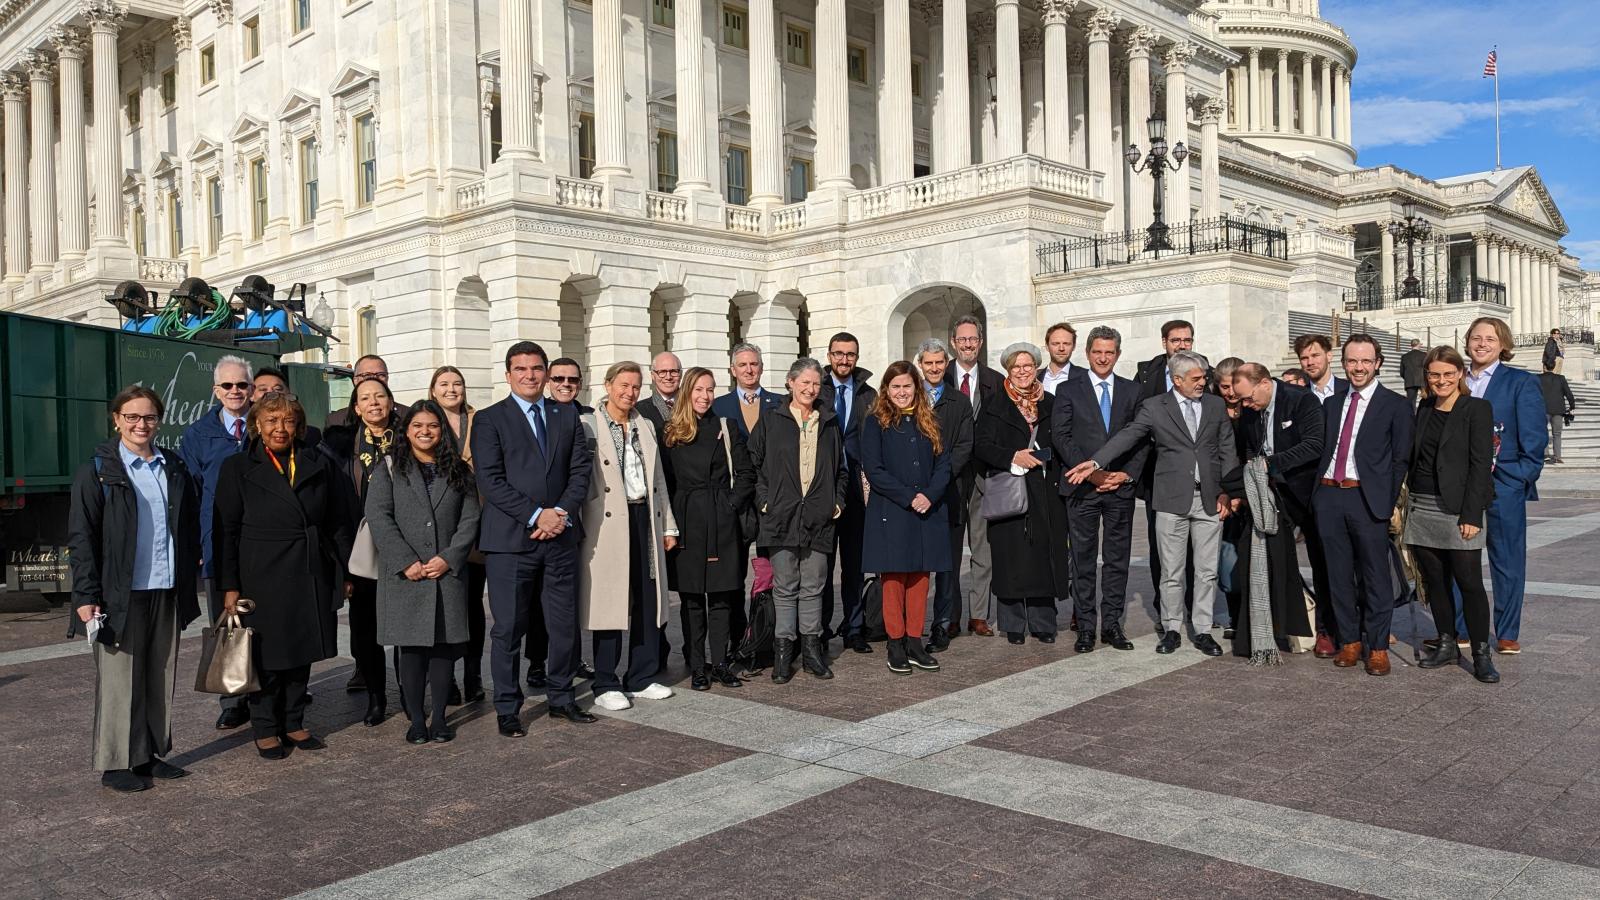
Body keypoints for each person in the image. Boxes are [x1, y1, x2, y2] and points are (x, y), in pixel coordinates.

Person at [69, 386, 202, 792]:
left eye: (148, 417)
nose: (140, 425)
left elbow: (187, 524)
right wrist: (86, 595)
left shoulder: (172, 466)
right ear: (116, 420)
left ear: (158, 421)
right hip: (118, 592)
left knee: (159, 672)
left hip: (164, 585)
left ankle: (147, 754)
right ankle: (115, 762)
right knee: (119, 678)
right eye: (131, 417)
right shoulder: (98, 470)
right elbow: (82, 536)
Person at [1069, 350, 1236, 657]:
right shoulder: (1155, 407)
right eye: (1197, 379)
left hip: (1210, 499)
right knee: (1171, 571)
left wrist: (1229, 490)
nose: (1203, 383)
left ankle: (1201, 629)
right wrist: (1095, 462)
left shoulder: (1215, 405)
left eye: (1204, 377)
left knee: (1206, 570)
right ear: (1177, 380)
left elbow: (1227, 449)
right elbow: (1128, 436)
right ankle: (1172, 629)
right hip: (1171, 499)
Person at [213, 393, 352, 758]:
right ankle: (265, 726)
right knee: (265, 655)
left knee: (301, 650)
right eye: (272, 421)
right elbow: (225, 531)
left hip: (308, 569)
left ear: (298, 426)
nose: (280, 428)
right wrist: (229, 585)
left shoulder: (317, 464)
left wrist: (343, 571)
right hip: (259, 571)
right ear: (257, 425)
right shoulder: (236, 467)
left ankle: (294, 721)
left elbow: (338, 522)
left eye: (288, 421)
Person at [472, 341, 596, 733]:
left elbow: (580, 471)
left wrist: (558, 513)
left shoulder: (565, 416)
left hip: (560, 538)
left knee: (563, 625)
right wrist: (534, 514)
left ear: (545, 372)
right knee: (508, 628)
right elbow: (489, 480)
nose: (529, 375)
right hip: (510, 542)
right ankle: (508, 707)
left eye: (536, 368)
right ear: (508, 374)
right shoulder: (490, 419)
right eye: (521, 369)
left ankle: (562, 697)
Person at [365, 400, 483, 742]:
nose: (425, 431)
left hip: (445, 574)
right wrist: (405, 560)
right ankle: (417, 718)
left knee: (444, 650)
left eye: (432, 425)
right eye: (417, 425)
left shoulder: (460, 471)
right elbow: (379, 517)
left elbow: (470, 519)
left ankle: (441, 718)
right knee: (413, 652)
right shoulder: (390, 468)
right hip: (407, 575)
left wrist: (450, 557)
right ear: (407, 430)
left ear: (441, 430)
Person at [579, 362, 680, 711]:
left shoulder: (645, 423)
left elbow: (659, 479)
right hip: (607, 524)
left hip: (644, 516)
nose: (630, 392)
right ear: (608, 386)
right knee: (610, 601)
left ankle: (641, 676)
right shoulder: (589, 424)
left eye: (635, 386)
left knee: (648, 598)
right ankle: (605, 681)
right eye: (623, 385)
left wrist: (668, 524)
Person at [1310, 334, 1412, 676]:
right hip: (1329, 495)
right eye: (1352, 361)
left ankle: (1378, 646)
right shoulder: (1332, 403)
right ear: (1344, 363)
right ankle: (1350, 640)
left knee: (1375, 576)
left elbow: (1400, 459)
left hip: (1366, 499)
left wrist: (1383, 499)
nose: (1359, 367)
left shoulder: (1395, 405)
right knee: (1337, 575)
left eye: (1366, 361)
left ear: (1378, 363)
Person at [747, 358, 848, 683]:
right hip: (780, 517)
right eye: (804, 382)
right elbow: (754, 465)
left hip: (819, 518)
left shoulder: (829, 421)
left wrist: (837, 503)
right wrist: (765, 501)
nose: (810, 389)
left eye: (816, 384)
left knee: (814, 586)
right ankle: (782, 655)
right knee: (786, 587)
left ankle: (812, 653)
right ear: (790, 383)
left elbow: (841, 471)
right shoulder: (772, 420)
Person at [1052, 326, 1146, 654]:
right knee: (1083, 559)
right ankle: (1086, 627)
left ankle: (1111, 625)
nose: (1103, 358)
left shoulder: (1133, 391)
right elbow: (1061, 436)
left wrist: (1124, 474)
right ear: (1088, 353)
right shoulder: (1068, 389)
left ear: (1117, 355)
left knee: (1118, 560)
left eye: (1109, 352)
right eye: (1097, 352)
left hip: (1119, 488)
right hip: (1082, 488)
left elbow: (1142, 438)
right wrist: (1090, 472)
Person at [1407, 347, 1499, 684]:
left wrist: (1471, 513)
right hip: (1423, 504)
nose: (1441, 380)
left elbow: (1480, 465)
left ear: (1460, 373)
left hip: (1459, 509)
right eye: (1434, 375)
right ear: (1427, 377)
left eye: (1448, 373)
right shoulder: (1425, 407)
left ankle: (1480, 654)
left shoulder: (1476, 408)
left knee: (1470, 582)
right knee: (1435, 580)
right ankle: (1446, 643)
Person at [661, 367, 756, 689]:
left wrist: (729, 505)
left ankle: (720, 663)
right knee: (691, 600)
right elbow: (665, 481)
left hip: (721, 519)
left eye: (710, 390)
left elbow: (746, 474)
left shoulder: (726, 426)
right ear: (687, 392)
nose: (705, 396)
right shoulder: (672, 431)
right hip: (686, 519)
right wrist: (669, 524)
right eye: (699, 390)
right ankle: (697, 665)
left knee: (721, 597)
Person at [974, 343, 1072, 645]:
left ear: (1036, 368)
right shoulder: (992, 404)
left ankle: (1044, 622)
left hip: (1046, 490)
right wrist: (1012, 457)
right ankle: (1013, 623)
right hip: (1011, 490)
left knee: (1045, 555)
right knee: (1010, 557)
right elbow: (981, 445)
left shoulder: (1052, 402)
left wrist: (1046, 456)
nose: (1022, 372)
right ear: (1007, 369)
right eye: (1016, 366)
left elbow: (1065, 440)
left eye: (1028, 365)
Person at [319, 378, 402, 726]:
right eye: (365, 398)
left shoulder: (408, 438)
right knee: (365, 627)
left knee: (404, 626)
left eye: (380, 396)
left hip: (403, 544)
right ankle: (376, 697)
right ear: (356, 408)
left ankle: (410, 693)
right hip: (359, 547)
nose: (374, 403)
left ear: (391, 403)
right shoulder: (340, 447)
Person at [860, 361, 952, 673]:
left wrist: (930, 494)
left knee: (920, 579)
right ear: (886, 389)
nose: (902, 392)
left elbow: (944, 464)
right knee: (894, 579)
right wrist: (909, 496)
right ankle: (895, 643)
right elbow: (874, 469)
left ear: (917, 387)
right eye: (896, 386)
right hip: (893, 510)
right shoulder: (876, 422)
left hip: (927, 509)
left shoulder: (930, 420)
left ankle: (915, 641)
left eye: (907, 386)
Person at [1462, 317, 1547, 654]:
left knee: (1507, 560)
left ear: (1503, 345)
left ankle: (1507, 630)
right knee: (1460, 559)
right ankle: (1461, 628)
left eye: (1490, 339)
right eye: (1476, 337)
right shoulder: (1456, 379)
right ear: (1467, 341)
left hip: (1503, 484)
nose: (1482, 344)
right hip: (1461, 486)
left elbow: (1534, 436)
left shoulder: (1520, 382)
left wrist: (1519, 476)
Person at [179, 354, 255, 731]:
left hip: (261, 542)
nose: (235, 391)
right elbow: (189, 493)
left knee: (264, 619)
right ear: (216, 391)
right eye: (227, 385)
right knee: (226, 622)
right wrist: (193, 545)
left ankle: (266, 692)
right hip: (217, 543)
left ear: (252, 388)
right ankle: (232, 698)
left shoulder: (265, 425)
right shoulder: (197, 434)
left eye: (241, 384)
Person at [1231, 364, 1325, 652]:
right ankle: (1276, 625)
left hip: (1305, 493)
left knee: (1321, 563)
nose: (1245, 405)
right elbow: (1249, 447)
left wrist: (1271, 465)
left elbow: (1314, 445)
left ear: (1264, 383)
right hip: (1268, 495)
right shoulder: (1250, 408)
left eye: (1248, 398)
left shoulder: (1301, 400)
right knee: (1268, 558)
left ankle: (1326, 627)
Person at [1135, 320, 1201, 631]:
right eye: (1176, 340)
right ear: (1164, 343)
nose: (1182, 345)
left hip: (1195, 480)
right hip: (1157, 478)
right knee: (1161, 547)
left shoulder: (1204, 373)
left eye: (1187, 339)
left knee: (1195, 548)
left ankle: (1192, 608)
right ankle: (1167, 611)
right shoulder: (1146, 374)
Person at [817, 332, 876, 654]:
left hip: (856, 490)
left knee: (855, 565)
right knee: (822, 566)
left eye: (850, 354)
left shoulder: (868, 394)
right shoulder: (817, 390)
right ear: (829, 355)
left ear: (856, 356)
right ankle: (822, 629)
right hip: (823, 490)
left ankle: (854, 628)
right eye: (838, 354)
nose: (844, 360)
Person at [430, 365, 487, 704]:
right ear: (433, 389)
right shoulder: (425, 419)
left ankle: (474, 673)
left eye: (457, 384)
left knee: (473, 604)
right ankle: (446, 675)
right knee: (447, 605)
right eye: (444, 384)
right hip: (439, 523)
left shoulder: (480, 419)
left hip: (475, 519)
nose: (452, 389)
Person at [946, 314, 1004, 637]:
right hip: (952, 478)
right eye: (962, 339)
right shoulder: (942, 379)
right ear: (954, 343)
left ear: (980, 343)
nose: (968, 345)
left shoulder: (995, 380)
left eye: (973, 339)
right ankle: (952, 615)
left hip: (984, 474)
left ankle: (978, 614)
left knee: (983, 549)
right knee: (952, 550)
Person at [915, 339, 973, 652]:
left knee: (947, 565)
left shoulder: (958, 401)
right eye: (929, 363)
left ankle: (941, 625)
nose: (935, 368)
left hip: (949, 494)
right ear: (920, 365)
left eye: (940, 363)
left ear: (946, 364)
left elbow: (964, 447)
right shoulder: (908, 396)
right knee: (915, 563)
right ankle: (912, 627)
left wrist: (937, 481)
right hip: (915, 497)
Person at [712, 342, 785, 439]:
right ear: (733, 370)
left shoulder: (781, 403)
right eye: (742, 365)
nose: (749, 370)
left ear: (762, 368)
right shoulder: (718, 406)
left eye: (753, 364)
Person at [326, 354, 389, 428]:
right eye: (367, 375)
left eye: (380, 375)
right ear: (355, 380)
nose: (374, 379)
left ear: (387, 378)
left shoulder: (404, 417)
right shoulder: (336, 421)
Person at [1295, 334, 1347, 405]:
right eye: (1304, 358)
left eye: (1315, 355)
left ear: (1329, 356)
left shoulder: (1349, 390)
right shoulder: (1298, 398)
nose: (1310, 362)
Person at [638, 351, 683, 433]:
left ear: (681, 374)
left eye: (673, 371)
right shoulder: (638, 411)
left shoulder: (694, 406)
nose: (668, 377)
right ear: (652, 375)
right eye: (662, 372)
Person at [1540, 363, 1575, 464]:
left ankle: (1546, 454)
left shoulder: (1537, 378)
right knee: (1557, 434)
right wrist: (1572, 406)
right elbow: (1569, 393)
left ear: (1544, 367)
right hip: (1558, 410)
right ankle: (1557, 456)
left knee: (1543, 432)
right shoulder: (1561, 378)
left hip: (1543, 409)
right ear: (1554, 367)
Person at [1040, 322, 1080, 395]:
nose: (1061, 348)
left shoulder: (1086, 376)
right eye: (1056, 344)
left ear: (1073, 346)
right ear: (1047, 346)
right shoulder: (1035, 378)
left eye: (1066, 343)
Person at [1399, 339, 1427, 406]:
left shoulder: (1404, 356)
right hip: (1422, 380)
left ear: (1411, 345)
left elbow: (1402, 371)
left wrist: (1407, 377)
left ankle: (1411, 416)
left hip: (1410, 380)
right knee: (1427, 399)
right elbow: (1426, 368)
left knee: (1411, 402)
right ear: (1418, 345)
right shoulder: (1424, 355)